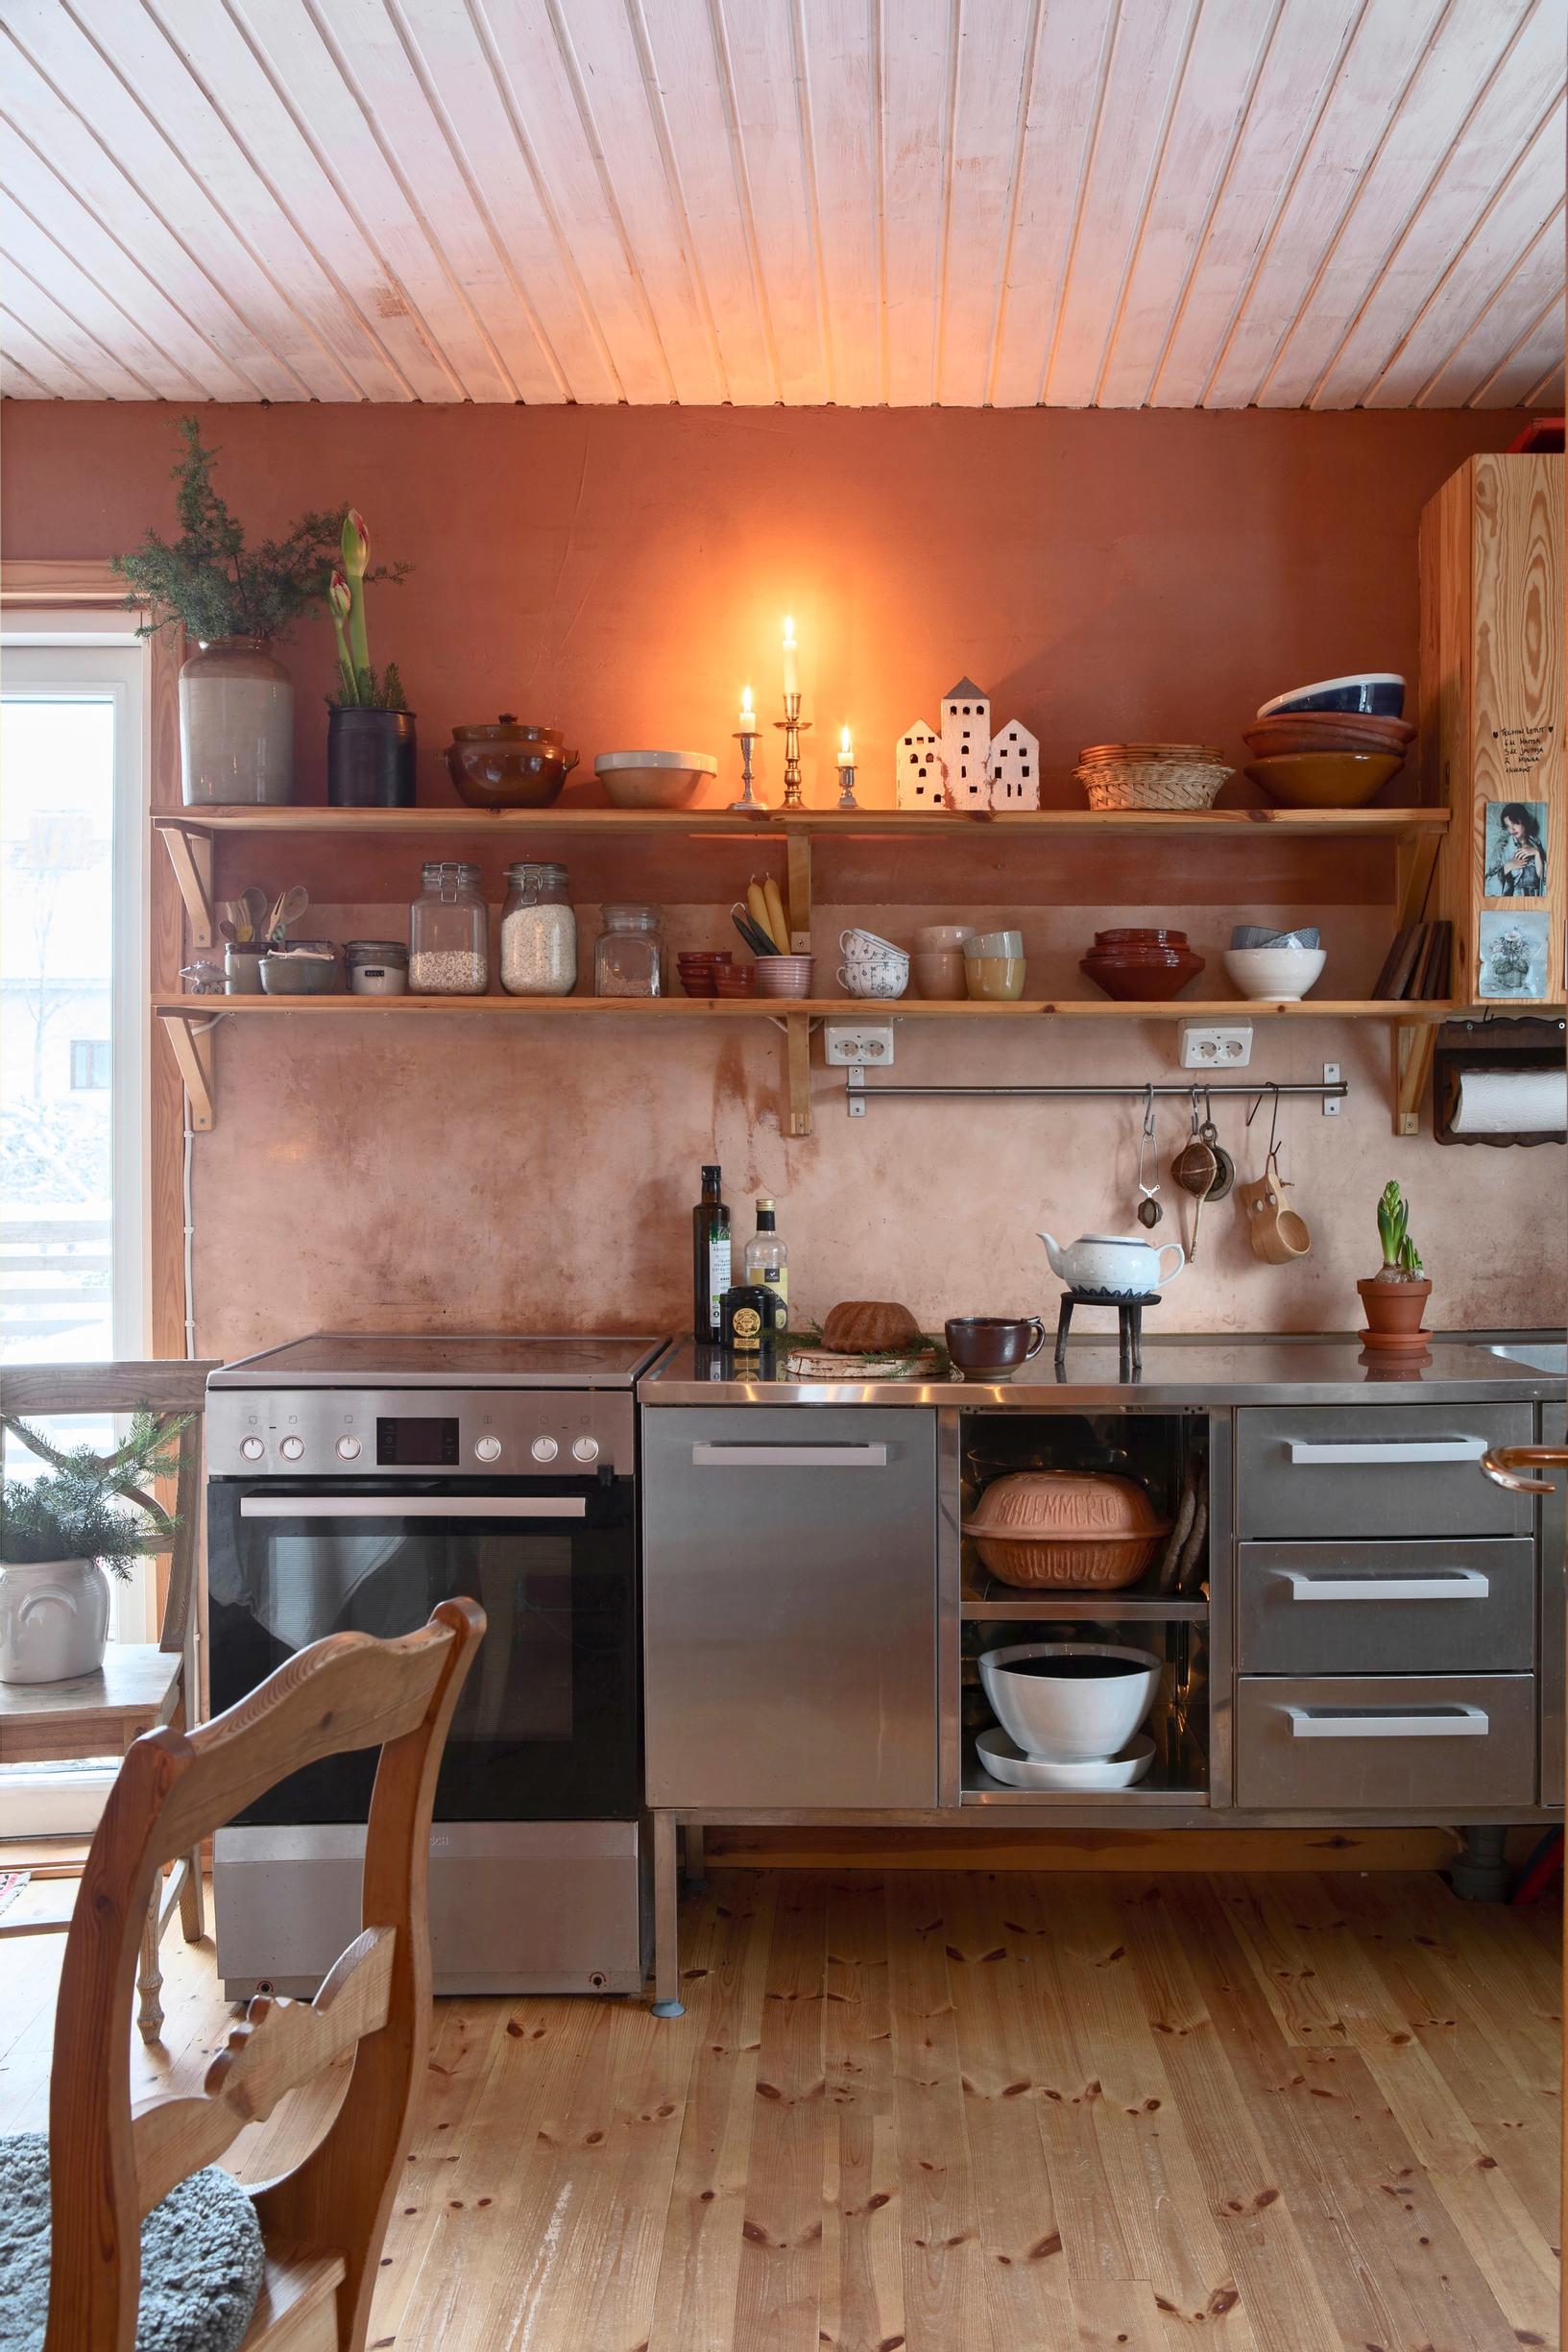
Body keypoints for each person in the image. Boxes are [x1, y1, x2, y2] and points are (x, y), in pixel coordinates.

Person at [1488, 802, 1546, 896]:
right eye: (1508, 826)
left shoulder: (1536, 843)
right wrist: (1507, 867)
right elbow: (1487, 884)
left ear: (1524, 820)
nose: (1512, 829)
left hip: (1536, 898)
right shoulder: (1502, 848)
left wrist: (1537, 853)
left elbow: (1543, 879)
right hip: (1514, 900)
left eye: (1514, 823)